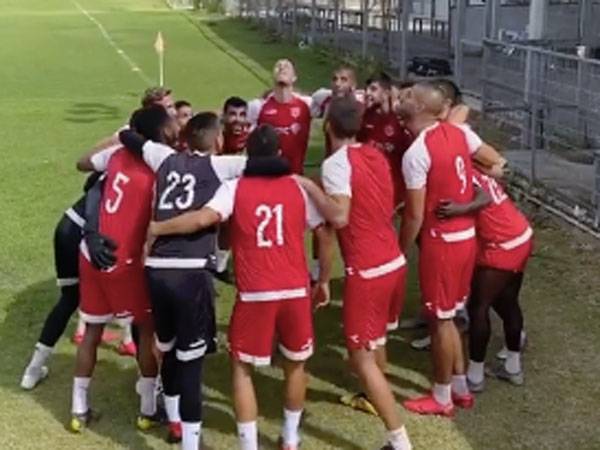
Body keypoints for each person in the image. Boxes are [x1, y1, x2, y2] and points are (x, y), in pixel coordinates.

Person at [148, 125, 334, 450]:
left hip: (255, 292)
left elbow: (202, 219)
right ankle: (290, 438)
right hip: (295, 290)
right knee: (295, 365)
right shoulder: (298, 187)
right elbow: (324, 233)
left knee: (242, 368)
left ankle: (249, 445)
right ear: (279, 153)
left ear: (247, 154)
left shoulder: (235, 188)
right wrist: (325, 279)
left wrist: (158, 227)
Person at [118, 112, 247, 449]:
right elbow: (263, 165)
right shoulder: (221, 165)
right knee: (191, 363)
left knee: (169, 349)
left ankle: (174, 420)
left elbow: (128, 137)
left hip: (156, 271)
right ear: (217, 140)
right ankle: (190, 442)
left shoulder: (163, 157)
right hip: (191, 273)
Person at [298, 97, 412, 450]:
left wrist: (309, 186)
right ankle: (370, 396)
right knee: (377, 340)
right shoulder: (375, 154)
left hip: (368, 269)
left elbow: (340, 216)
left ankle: (399, 441)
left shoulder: (335, 165)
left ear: (327, 126)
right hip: (393, 260)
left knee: (360, 355)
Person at [69, 106, 179, 433]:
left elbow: (82, 162)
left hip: (91, 254)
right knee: (146, 331)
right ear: (159, 131)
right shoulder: (162, 165)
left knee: (92, 331)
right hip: (124, 261)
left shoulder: (115, 155)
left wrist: (117, 139)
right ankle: (147, 409)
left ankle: (78, 409)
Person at [398, 81, 502, 416]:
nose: (401, 97)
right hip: (466, 240)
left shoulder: (417, 153)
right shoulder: (460, 133)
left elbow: (414, 215)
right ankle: (460, 387)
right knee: (452, 316)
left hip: (441, 244)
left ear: (420, 108)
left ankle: (441, 397)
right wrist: (470, 195)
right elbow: (494, 161)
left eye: (408, 96)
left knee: (440, 321)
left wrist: (400, 252)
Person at [436, 169, 532, 391]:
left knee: (478, 306)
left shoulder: (460, 172)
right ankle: (513, 365)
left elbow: (484, 197)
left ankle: (475, 375)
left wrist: (459, 209)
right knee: (507, 300)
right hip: (518, 234)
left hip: (501, 243)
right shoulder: (472, 167)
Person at [20, 173, 104, 390]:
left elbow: (89, 183)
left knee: (69, 299)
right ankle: (148, 384)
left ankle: (33, 369)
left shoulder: (114, 159)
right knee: (132, 304)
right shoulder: (150, 166)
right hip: (91, 233)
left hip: (69, 225)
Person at [247, 59, 313, 175]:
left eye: (286, 66)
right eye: (278, 66)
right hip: (266, 176)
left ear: (294, 77)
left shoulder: (307, 104)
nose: (282, 68)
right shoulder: (258, 106)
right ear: (272, 75)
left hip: (295, 176)